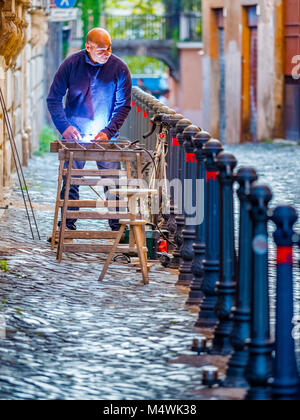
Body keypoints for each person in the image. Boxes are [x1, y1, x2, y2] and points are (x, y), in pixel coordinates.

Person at [47, 28, 132, 233]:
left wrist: (108, 132)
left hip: (106, 135)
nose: (107, 53)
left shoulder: (120, 69)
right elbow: (53, 99)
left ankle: (117, 228)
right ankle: (67, 225)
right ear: (88, 47)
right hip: (75, 134)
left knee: (112, 180)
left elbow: (124, 105)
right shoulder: (70, 64)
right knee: (71, 179)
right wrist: (65, 127)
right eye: (102, 49)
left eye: (109, 48)